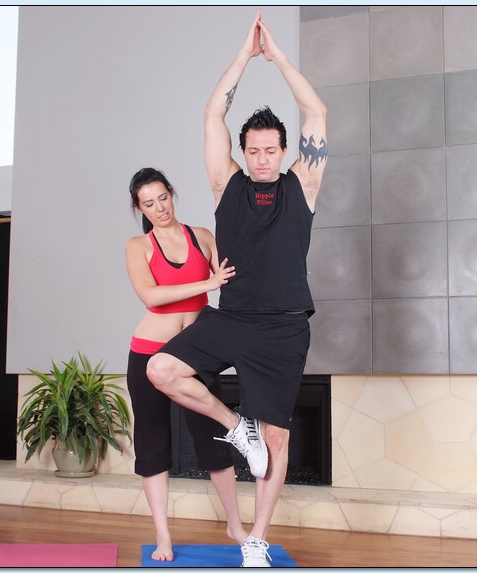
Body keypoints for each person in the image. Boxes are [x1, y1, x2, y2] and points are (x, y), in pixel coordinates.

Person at [146, 11, 328, 567]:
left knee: (278, 438)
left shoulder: (303, 184)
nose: (262, 158)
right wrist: (243, 58)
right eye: (253, 150)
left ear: (283, 151)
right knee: (161, 369)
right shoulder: (226, 185)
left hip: (284, 328)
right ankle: (235, 427)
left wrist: (278, 58)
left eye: (271, 149)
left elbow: (316, 113)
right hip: (233, 318)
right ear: (243, 152)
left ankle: (256, 539)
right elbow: (212, 114)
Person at [124, 167, 247, 562]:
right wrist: (207, 284)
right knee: (153, 442)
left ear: (172, 194)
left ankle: (235, 526)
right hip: (148, 352)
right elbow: (151, 296)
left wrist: (282, 273)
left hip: (194, 353)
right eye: (148, 203)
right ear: (140, 208)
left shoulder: (202, 237)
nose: (159, 208)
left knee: (213, 437)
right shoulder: (138, 246)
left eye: (162, 197)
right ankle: (163, 536)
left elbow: (236, 275)